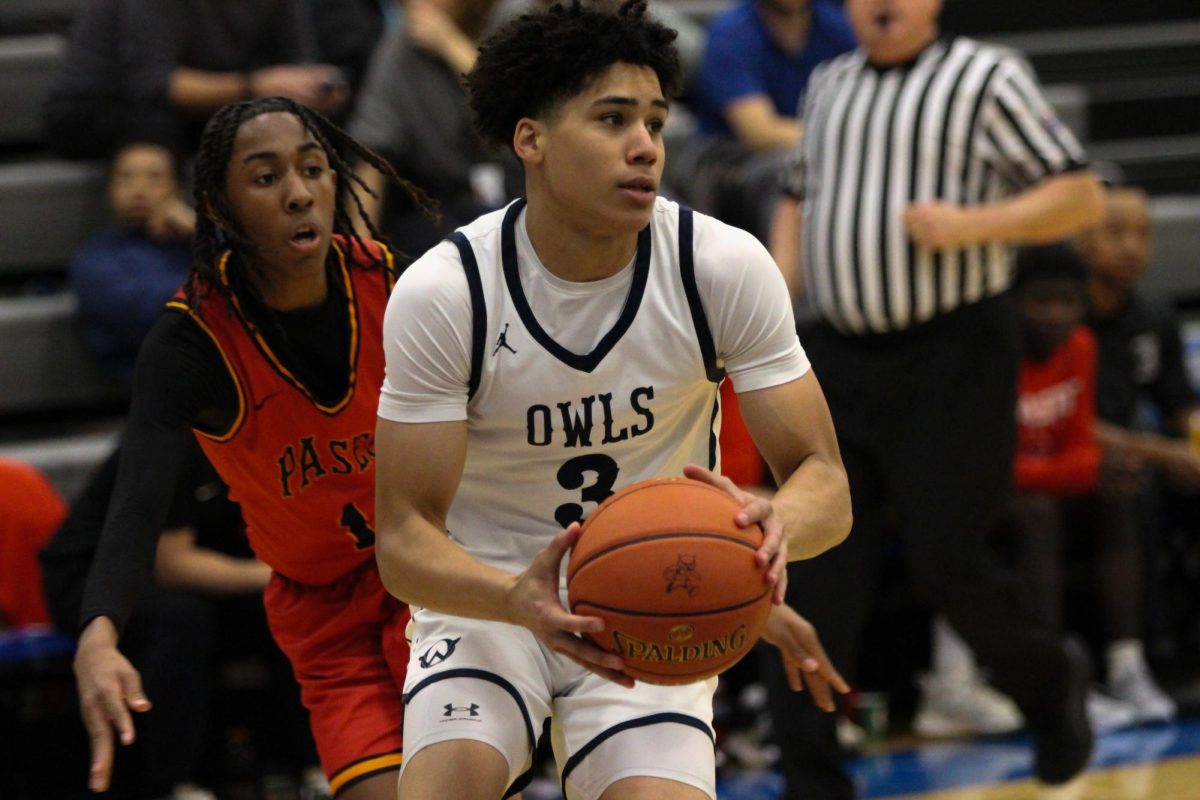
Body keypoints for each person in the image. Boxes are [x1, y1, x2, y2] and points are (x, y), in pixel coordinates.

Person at [372, 3, 853, 799]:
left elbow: (825, 484)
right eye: (612, 119)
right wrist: (516, 600)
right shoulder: (447, 291)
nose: (645, 147)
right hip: (489, 601)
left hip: (652, 602)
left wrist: (772, 535)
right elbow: (402, 543)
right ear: (531, 139)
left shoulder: (721, 266)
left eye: (657, 123)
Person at [766, 0, 1106, 794]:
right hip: (838, 357)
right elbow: (796, 192)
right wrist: (779, 283)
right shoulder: (829, 81)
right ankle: (810, 779)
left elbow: (1080, 196)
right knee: (813, 567)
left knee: (948, 563)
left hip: (952, 354)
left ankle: (1053, 683)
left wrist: (970, 224)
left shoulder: (985, 76)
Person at [69, 96, 430, 800]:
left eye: (314, 169)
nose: (299, 193)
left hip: (437, 585)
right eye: (266, 179)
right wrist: (98, 634)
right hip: (326, 615)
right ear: (219, 204)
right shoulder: (191, 343)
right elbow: (137, 503)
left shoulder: (400, 283)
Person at [39, 441, 278, 800]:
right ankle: (173, 784)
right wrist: (281, 575)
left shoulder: (269, 437)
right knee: (182, 619)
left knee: (281, 607)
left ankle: (300, 766)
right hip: (89, 576)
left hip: (189, 570)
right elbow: (173, 566)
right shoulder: (176, 439)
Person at [1078, 184, 1198, 719]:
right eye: (1115, 232)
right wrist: (1164, 454)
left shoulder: (1153, 313)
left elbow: (1180, 405)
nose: (1131, 246)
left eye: (1143, 234)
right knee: (1136, 489)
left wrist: (1194, 445)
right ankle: (1142, 658)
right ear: (1081, 237)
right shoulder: (1057, 311)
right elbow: (1069, 421)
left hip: (1140, 453)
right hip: (1075, 458)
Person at [42, 0, 349, 160]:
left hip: (204, 102)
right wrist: (255, 86)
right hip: (98, 108)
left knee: (319, 125)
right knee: (161, 126)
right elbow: (154, 84)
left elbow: (298, 62)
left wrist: (315, 87)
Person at [668, 0, 856, 241]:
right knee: (788, 172)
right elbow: (760, 133)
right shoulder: (731, 32)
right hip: (729, 160)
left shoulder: (837, 26)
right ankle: (778, 274)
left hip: (811, 150)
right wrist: (850, 136)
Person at [348, 0, 521, 257]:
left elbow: (523, 108)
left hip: (524, 193)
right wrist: (359, 252)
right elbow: (372, 149)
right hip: (446, 207)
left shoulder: (514, 19)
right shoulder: (403, 45)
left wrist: (450, 44)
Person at [70, 141, 196, 387]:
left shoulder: (202, 242)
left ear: (179, 190)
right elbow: (155, 318)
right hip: (153, 393)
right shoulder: (94, 261)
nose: (139, 189)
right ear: (109, 190)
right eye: (126, 178)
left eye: (155, 178)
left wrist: (199, 231)